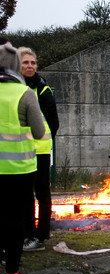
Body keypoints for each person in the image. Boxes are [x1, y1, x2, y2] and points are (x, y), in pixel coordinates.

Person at [0, 42, 46, 274]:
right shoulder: (25, 93)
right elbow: (39, 132)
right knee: (15, 220)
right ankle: (12, 272)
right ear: (18, 66)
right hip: (19, 170)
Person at [18, 47, 59, 252]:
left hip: (41, 149)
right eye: (26, 62)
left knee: (42, 192)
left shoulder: (42, 89)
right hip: (21, 149)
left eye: (33, 63)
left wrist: (46, 139)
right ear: (18, 64)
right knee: (25, 194)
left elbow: (54, 121)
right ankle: (27, 233)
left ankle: (41, 235)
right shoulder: (15, 88)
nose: (30, 66)